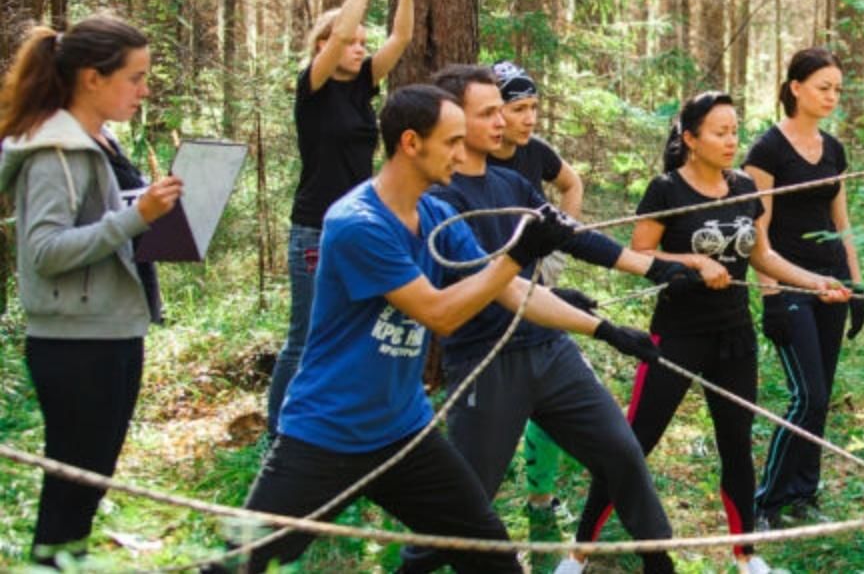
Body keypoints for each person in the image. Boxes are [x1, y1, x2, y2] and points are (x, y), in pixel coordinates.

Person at [219, 85, 658, 573]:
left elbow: (511, 294)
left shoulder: (436, 214)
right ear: (411, 142)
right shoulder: (357, 223)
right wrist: (517, 255)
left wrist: (603, 330)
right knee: (240, 563)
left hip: (403, 432)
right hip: (324, 434)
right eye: (451, 142)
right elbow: (440, 313)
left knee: (492, 558)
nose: (461, 153)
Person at [397, 64, 685, 574]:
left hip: (550, 351)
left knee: (620, 451)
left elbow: (573, 236)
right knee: (465, 499)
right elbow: (504, 287)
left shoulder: (510, 182)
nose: (501, 122)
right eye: (487, 113)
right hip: (489, 361)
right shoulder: (442, 201)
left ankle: (657, 560)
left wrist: (653, 266)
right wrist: (607, 330)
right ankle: (413, 567)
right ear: (453, 120)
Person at [571, 91, 852, 574]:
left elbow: (762, 255)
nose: (730, 140)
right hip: (676, 337)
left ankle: (746, 556)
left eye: (734, 131)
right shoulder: (666, 190)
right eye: (719, 132)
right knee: (632, 445)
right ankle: (578, 554)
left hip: (734, 338)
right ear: (690, 139)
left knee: (737, 447)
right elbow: (639, 256)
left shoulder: (744, 184)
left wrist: (817, 282)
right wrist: (693, 262)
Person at [0, 15, 184, 567]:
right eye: (135, 77)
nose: (145, 89)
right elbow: (45, 252)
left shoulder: (98, 142)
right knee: (70, 493)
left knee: (89, 487)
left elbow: (110, 224)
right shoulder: (56, 152)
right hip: (75, 343)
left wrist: (161, 217)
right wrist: (136, 218)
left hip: (114, 329)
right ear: (91, 78)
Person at [265, 0, 419, 436]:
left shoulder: (362, 88)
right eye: (349, 42)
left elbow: (401, 37)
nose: (359, 47)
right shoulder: (311, 88)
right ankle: (279, 432)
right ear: (325, 46)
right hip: (314, 229)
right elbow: (339, 36)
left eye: (361, 43)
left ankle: (341, 419)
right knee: (305, 335)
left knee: (357, 329)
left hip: (361, 226)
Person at [747, 48, 864, 530]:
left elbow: (842, 223)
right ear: (795, 87)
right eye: (823, 87)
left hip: (831, 283)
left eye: (838, 89)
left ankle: (805, 492)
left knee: (824, 392)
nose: (832, 96)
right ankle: (767, 501)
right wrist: (771, 296)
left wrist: (857, 285)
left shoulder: (833, 149)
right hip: (790, 283)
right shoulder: (767, 151)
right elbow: (760, 232)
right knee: (807, 395)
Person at [485, 59, 585, 532]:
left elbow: (571, 182)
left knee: (548, 385)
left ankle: (540, 497)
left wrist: (561, 244)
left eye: (534, 108)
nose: (529, 119)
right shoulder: (474, 158)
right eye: (518, 108)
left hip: (535, 285)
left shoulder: (535, 151)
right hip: (485, 293)